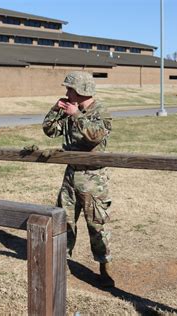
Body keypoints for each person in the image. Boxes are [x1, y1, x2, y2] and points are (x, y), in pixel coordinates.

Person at [42, 71, 114, 287]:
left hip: (93, 178)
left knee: (97, 224)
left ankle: (105, 268)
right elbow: (49, 130)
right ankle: (61, 262)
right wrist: (56, 109)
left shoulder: (101, 111)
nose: (66, 92)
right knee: (63, 221)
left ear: (82, 90)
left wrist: (76, 115)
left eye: (70, 89)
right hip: (71, 175)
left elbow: (95, 136)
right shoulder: (68, 110)